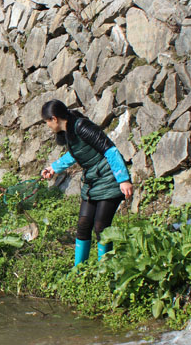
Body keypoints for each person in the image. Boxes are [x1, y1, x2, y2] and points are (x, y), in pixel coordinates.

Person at [40, 99, 133, 267]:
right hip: (93, 181)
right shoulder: (69, 132)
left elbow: (109, 149)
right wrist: (54, 168)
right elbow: (77, 153)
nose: (47, 126)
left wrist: (123, 179)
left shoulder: (81, 126)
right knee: (83, 224)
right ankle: (79, 269)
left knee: (100, 227)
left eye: (46, 122)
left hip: (109, 178)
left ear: (54, 119)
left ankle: (105, 269)